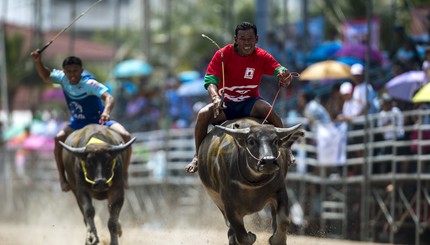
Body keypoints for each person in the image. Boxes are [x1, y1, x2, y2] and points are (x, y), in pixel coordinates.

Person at [184, 22, 292, 173]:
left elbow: (278, 69)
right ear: (236, 39)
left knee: (268, 109)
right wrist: (215, 98)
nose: (246, 43)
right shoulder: (223, 54)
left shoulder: (261, 56)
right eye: (242, 39)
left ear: (256, 39)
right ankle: (197, 156)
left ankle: (286, 151)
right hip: (226, 105)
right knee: (202, 115)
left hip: (249, 103)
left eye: (250, 39)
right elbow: (210, 80)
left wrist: (284, 74)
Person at [30, 50, 132, 192]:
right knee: (58, 138)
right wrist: (37, 61)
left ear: (81, 70)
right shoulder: (62, 78)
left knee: (126, 136)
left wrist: (106, 112)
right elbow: (46, 75)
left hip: (99, 120)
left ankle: (125, 174)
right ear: (64, 71)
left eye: (75, 71)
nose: (72, 75)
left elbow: (109, 97)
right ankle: (62, 178)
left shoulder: (89, 83)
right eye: (69, 71)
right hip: (77, 122)